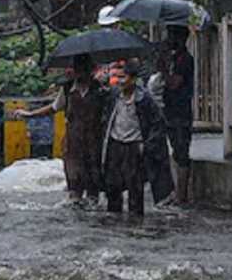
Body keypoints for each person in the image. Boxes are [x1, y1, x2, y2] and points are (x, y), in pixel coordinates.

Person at [15, 54, 107, 203]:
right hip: (73, 142)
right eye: (78, 69)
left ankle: (92, 208)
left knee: (93, 183)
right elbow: (53, 107)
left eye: (84, 69)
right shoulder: (68, 89)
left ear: (91, 70)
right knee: (74, 181)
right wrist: (30, 114)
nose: (80, 74)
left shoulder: (101, 91)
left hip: (94, 142)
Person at [101, 59, 168, 216]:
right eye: (118, 77)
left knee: (134, 185)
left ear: (133, 79)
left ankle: (135, 219)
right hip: (115, 143)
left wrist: (147, 145)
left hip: (135, 146)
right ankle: (114, 216)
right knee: (113, 184)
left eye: (124, 77)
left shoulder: (144, 100)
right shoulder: (114, 96)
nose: (120, 81)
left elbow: (157, 124)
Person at [163, 25, 195, 204]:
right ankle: (177, 192)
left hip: (181, 111)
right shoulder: (175, 59)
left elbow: (175, 83)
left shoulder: (185, 60)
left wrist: (163, 71)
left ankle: (181, 195)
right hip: (171, 109)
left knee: (181, 151)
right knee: (175, 150)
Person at [146, 45, 176, 205]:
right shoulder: (155, 79)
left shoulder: (159, 78)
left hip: (162, 120)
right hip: (156, 121)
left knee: (160, 155)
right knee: (157, 155)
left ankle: (165, 193)